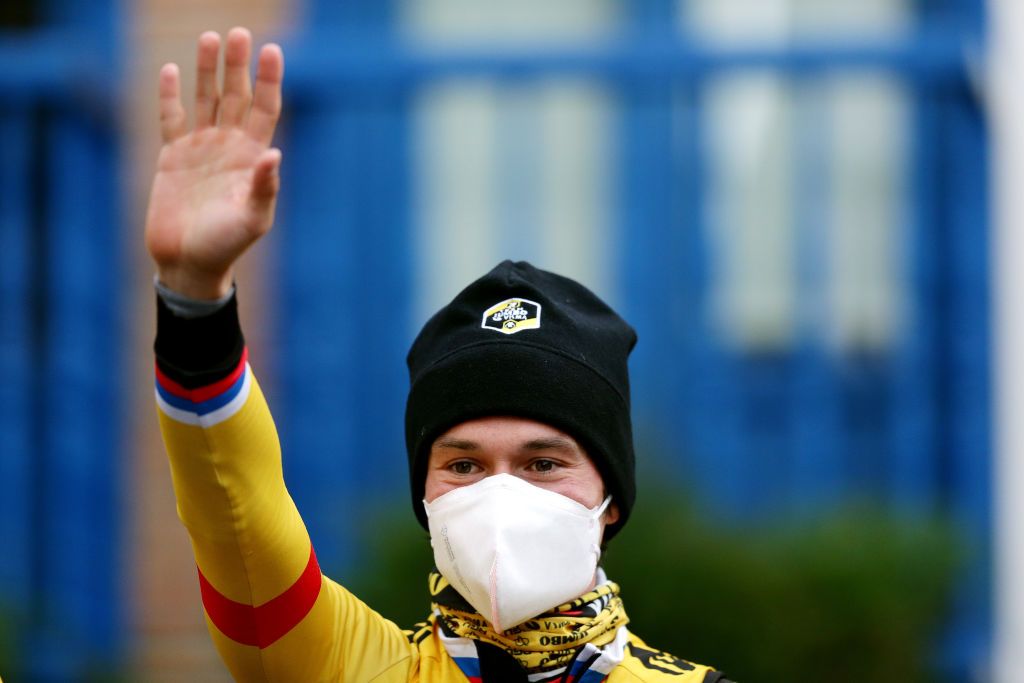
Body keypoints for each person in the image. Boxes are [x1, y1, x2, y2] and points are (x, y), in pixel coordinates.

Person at [147, 27, 730, 683]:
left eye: (542, 461)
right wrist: (195, 296)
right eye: (463, 463)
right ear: (426, 495)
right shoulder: (341, 665)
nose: (501, 495)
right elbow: (236, 509)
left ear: (611, 497)